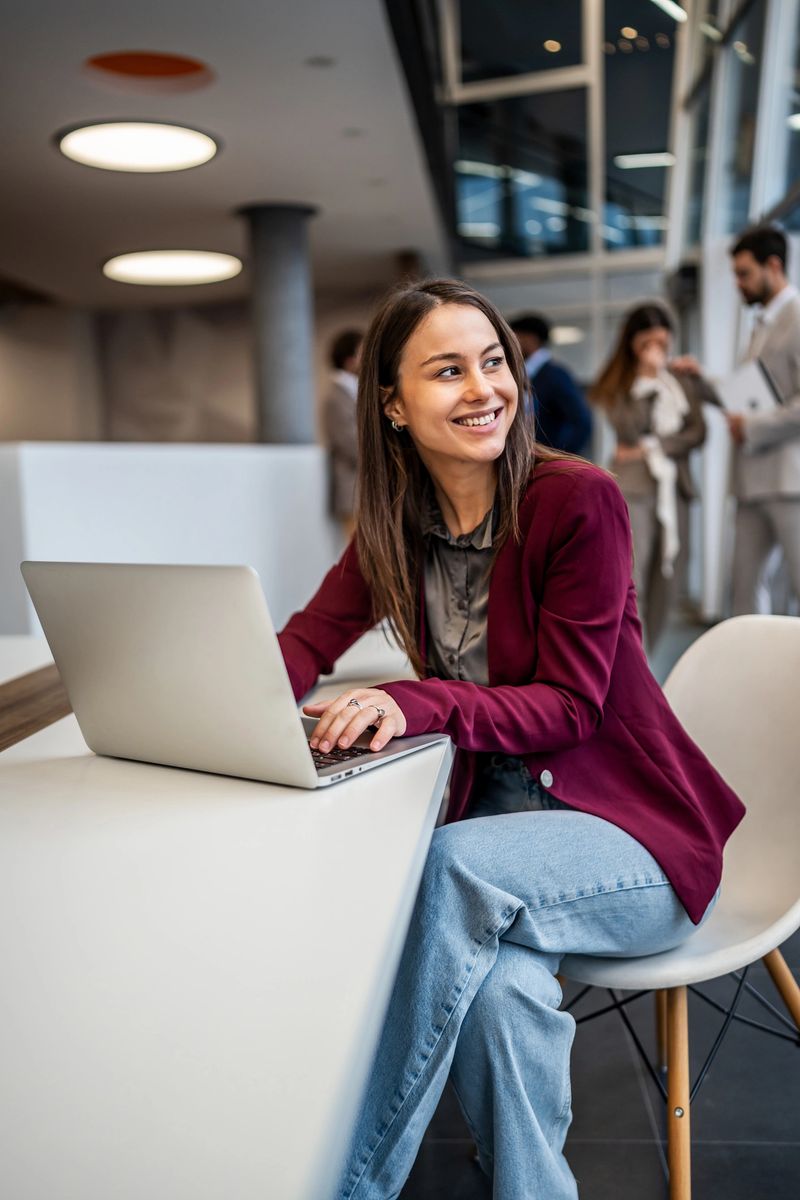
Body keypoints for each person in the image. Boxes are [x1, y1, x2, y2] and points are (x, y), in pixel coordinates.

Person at [277, 279, 744, 1199]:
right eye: (448, 371)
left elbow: (571, 705)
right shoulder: (394, 521)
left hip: (632, 834)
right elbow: (308, 639)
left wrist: (423, 698)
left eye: (493, 363)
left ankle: (348, 1183)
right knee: (496, 995)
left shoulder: (579, 501)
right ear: (393, 404)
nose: (485, 388)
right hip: (505, 833)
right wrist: (241, 701)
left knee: (448, 868)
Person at [592, 303, 713, 651]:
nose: (658, 350)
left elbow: (698, 432)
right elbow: (628, 432)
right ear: (633, 344)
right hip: (634, 488)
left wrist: (653, 445)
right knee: (634, 579)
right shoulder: (620, 384)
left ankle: (647, 657)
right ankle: (636, 665)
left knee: (668, 583)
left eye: (663, 341)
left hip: (676, 490)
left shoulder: (680, 381)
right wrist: (645, 379)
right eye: (648, 343)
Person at [727, 225, 800, 615]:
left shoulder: (797, 315)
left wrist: (751, 427)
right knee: (744, 594)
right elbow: (750, 394)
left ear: (773, 265)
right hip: (753, 483)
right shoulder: (761, 325)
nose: (739, 284)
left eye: (744, 273)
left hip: (791, 482)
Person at [509, 312, 593, 454]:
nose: (510, 346)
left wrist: (561, 457)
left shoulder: (554, 375)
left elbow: (582, 422)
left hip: (547, 461)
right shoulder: (525, 373)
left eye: (515, 338)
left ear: (531, 339)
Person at [322, 328, 364, 538]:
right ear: (349, 359)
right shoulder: (336, 397)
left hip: (363, 488)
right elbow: (349, 443)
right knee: (359, 557)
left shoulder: (353, 391)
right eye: (361, 353)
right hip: (352, 490)